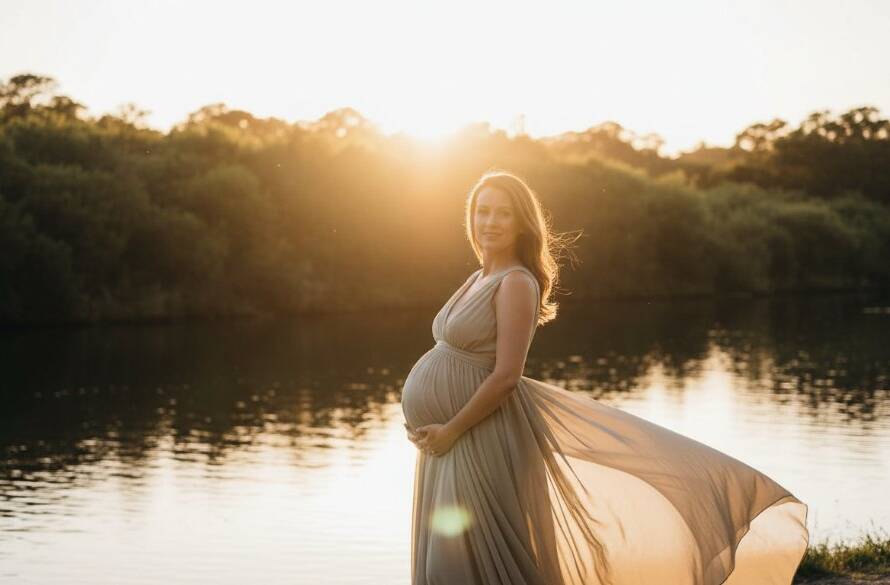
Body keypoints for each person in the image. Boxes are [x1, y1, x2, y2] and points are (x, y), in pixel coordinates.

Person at [400, 169, 809, 585]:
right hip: (447, 442)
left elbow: (507, 375)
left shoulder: (516, 283)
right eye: (482, 211)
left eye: (503, 213)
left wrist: (451, 429)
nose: (490, 222)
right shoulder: (478, 277)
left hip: (476, 437)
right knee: (450, 562)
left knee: (457, 565)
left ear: (522, 223)